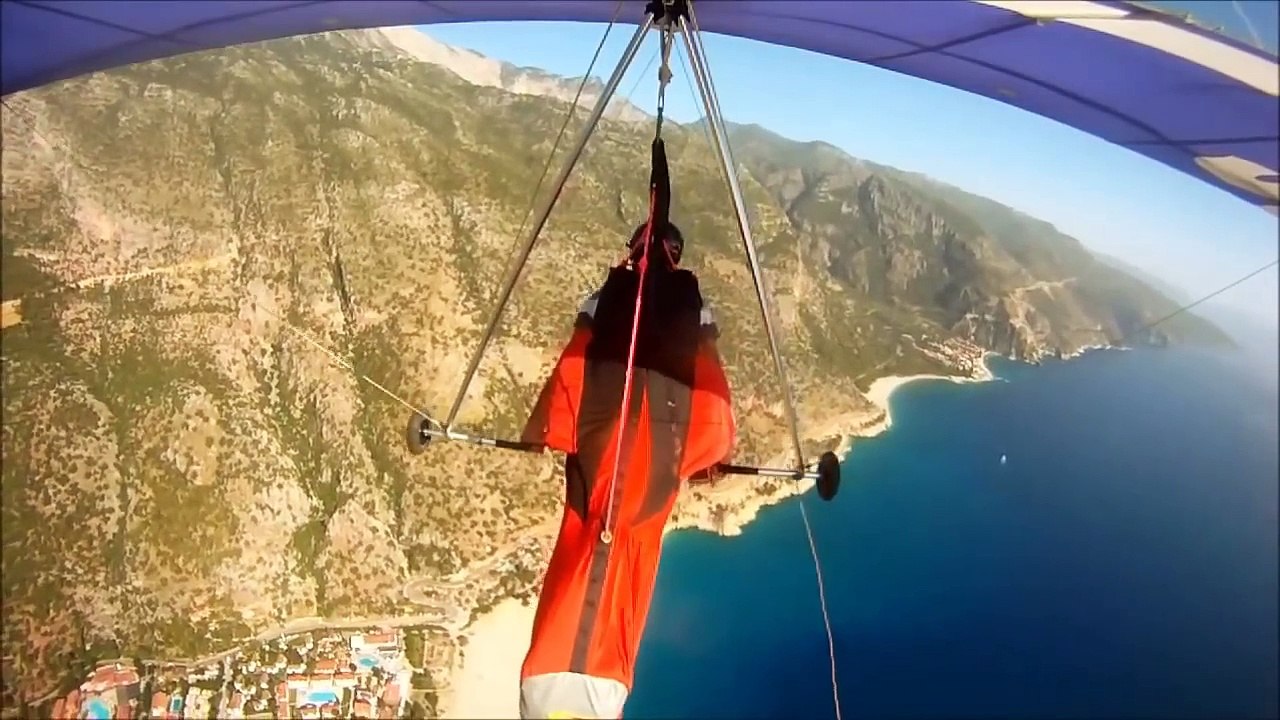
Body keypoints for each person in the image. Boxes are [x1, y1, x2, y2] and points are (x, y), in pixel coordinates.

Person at [517, 206, 737, 718]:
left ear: (634, 249)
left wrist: (542, 427)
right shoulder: (688, 300)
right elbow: (707, 360)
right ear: (673, 254)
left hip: (604, 439)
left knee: (592, 537)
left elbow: (579, 345)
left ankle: (570, 684)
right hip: (649, 455)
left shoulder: (611, 292)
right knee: (619, 551)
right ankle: (581, 687)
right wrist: (711, 452)